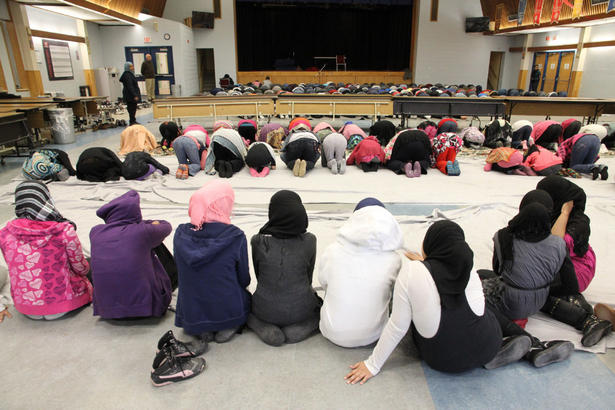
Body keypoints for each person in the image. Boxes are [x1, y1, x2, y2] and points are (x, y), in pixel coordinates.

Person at [345, 221, 528, 384]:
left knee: (405, 310)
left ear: (430, 244)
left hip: (442, 359)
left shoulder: (412, 271)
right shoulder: (467, 267)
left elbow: (397, 326)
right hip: (486, 346)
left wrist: (372, 365)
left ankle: (515, 344)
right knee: (483, 308)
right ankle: (531, 342)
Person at [536, 176, 612, 346]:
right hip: (555, 263)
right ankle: (591, 320)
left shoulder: (579, 221)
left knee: (538, 291)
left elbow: (556, 244)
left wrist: (564, 213)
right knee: (530, 286)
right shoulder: (548, 212)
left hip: (578, 266)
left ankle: (588, 319)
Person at [0, 181, 92, 320]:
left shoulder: (5, 233)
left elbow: (13, 266)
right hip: (64, 304)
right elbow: (80, 268)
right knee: (90, 263)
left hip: (26, 308)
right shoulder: (64, 230)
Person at [319, 198, 403, 348]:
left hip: (331, 332)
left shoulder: (332, 250)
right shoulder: (394, 260)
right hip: (374, 335)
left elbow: (323, 282)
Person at [174, 181, 250, 343]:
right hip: (227, 308)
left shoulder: (180, 234)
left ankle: (202, 329)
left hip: (191, 312)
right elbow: (244, 278)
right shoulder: (235, 236)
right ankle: (226, 324)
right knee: (244, 294)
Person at [248, 191, 322, 346]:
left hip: (264, 311)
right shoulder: (310, 240)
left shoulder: (258, 241)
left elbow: (259, 275)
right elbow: (308, 278)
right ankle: (302, 327)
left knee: (245, 305)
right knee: (320, 306)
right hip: (301, 311)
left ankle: (259, 324)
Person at [90, 190, 175, 319]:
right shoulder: (142, 231)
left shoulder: (95, 232)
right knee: (154, 244)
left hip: (107, 310)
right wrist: (144, 223)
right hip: (147, 308)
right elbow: (166, 226)